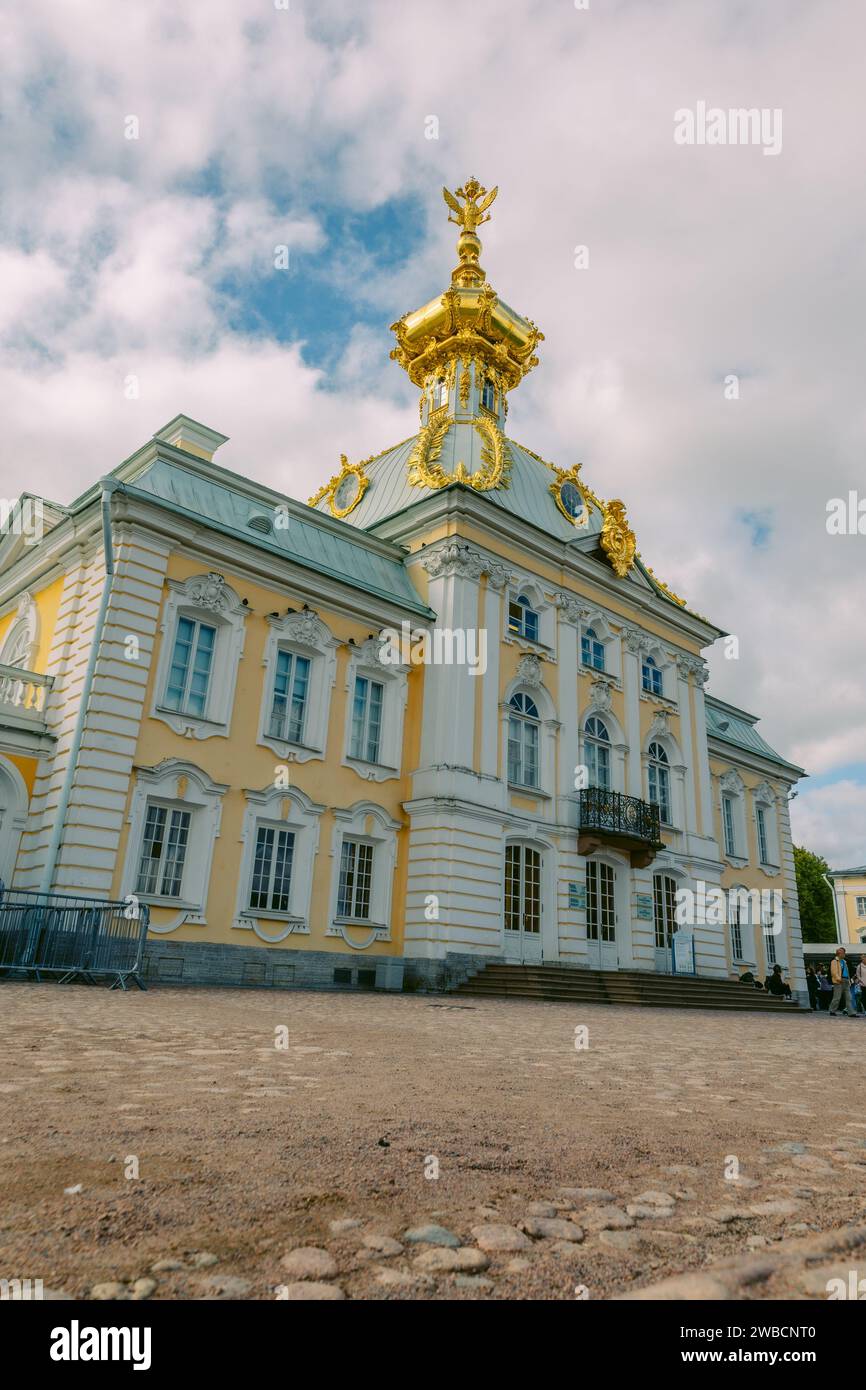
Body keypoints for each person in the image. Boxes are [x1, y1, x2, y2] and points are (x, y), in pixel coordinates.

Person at [829, 947, 857, 1018]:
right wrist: (839, 979)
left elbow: (847, 972)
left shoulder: (845, 962)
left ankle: (851, 1012)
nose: (845, 954)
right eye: (844, 953)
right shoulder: (834, 961)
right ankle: (832, 1010)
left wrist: (849, 980)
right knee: (837, 997)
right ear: (839, 953)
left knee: (849, 997)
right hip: (838, 981)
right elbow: (834, 972)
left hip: (846, 981)